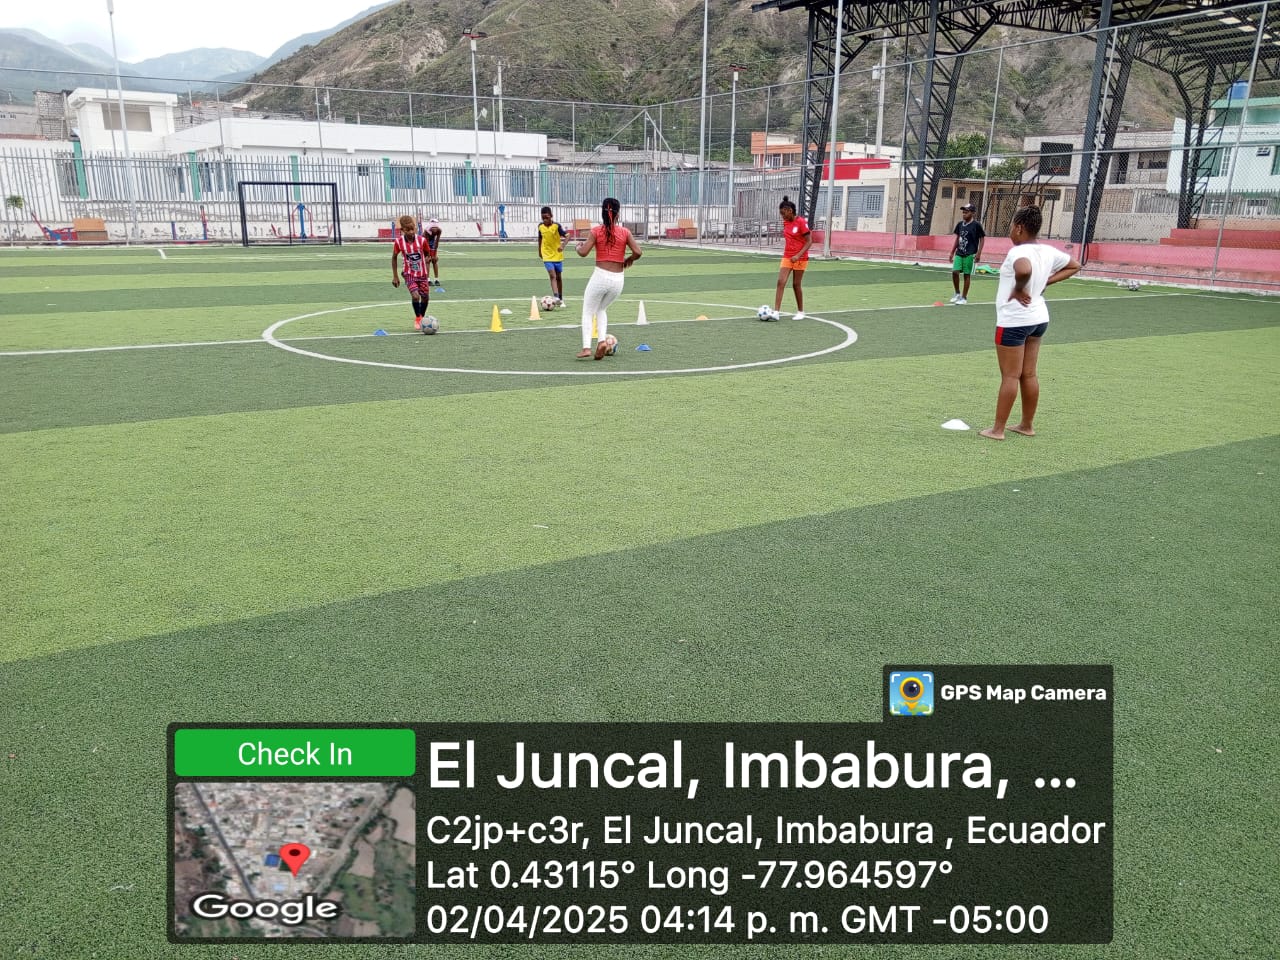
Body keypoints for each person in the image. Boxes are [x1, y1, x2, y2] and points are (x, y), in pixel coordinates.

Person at [979, 205, 1080, 441]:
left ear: (1019, 228)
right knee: (1029, 374)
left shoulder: (1018, 252)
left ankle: (997, 430)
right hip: (1038, 318)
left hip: (1014, 321)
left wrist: (1018, 288)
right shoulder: (1047, 251)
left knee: (1010, 376)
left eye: (1011, 227)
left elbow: (1023, 270)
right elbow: (1075, 265)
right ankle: (1026, 425)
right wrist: (1045, 282)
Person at [574, 197, 641, 360]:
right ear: (618, 214)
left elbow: (583, 253)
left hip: (600, 276)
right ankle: (602, 341)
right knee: (601, 309)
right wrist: (628, 260)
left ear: (602, 213)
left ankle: (586, 348)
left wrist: (577, 247)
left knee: (587, 311)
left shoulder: (596, 231)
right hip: (618, 280)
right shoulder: (625, 232)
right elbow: (638, 252)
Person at [773, 196, 811, 319]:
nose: (782, 216)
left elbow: (809, 241)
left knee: (796, 284)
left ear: (790, 210)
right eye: (781, 214)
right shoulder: (786, 222)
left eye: (783, 213)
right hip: (787, 256)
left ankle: (800, 312)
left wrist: (798, 255)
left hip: (801, 258)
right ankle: (776, 312)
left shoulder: (801, 222)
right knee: (781, 281)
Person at [390, 214, 432, 330]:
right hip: (409, 274)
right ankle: (418, 318)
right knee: (415, 296)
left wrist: (428, 259)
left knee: (425, 297)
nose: (411, 232)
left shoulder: (422, 241)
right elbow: (394, 258)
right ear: (402, 230)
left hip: (422, 274)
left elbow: (427, 254)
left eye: (412, 229)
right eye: (408, 230)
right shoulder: (399, 242)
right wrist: (395, 276)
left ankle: (422, 316)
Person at [949, 203, 986, 304]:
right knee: (955, 272)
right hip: (959, 253)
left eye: (967, 212)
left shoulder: (976, 225)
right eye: (963, 212)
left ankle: (964, 298)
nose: (964, 213)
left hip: (970, 254)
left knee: (966, 275)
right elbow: (957, 239)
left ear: (973, 213)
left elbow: (982, 239)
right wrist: (952, 252)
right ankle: (957, 293)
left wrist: (979, 253)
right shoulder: (960, 224)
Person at [536, 206, 567, 304]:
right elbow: (540, 238)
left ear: (551, 216)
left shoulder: (557, 226)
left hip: (557, 255)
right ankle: (556, 296)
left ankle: (560, 298)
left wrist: (563, 245)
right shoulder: (540, 226)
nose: (545, 220)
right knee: (552, 275)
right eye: (543, 218)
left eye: (547, 217)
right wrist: (539, 251)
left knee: (558, 277)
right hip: (546, 255)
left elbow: (567, 236)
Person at [424, 218, 443, 286]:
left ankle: (436, 279)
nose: (435, 229)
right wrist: (429, 255)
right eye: (433, 227)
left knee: (434, 260)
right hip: (424, 243)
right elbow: (426, 245)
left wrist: (434, 255)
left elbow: (436, 242)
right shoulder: (426, 231)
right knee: (428, 260)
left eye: (436, 227)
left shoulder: (439, 230)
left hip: (432, 242)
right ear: (430, 227)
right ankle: (427, 280)